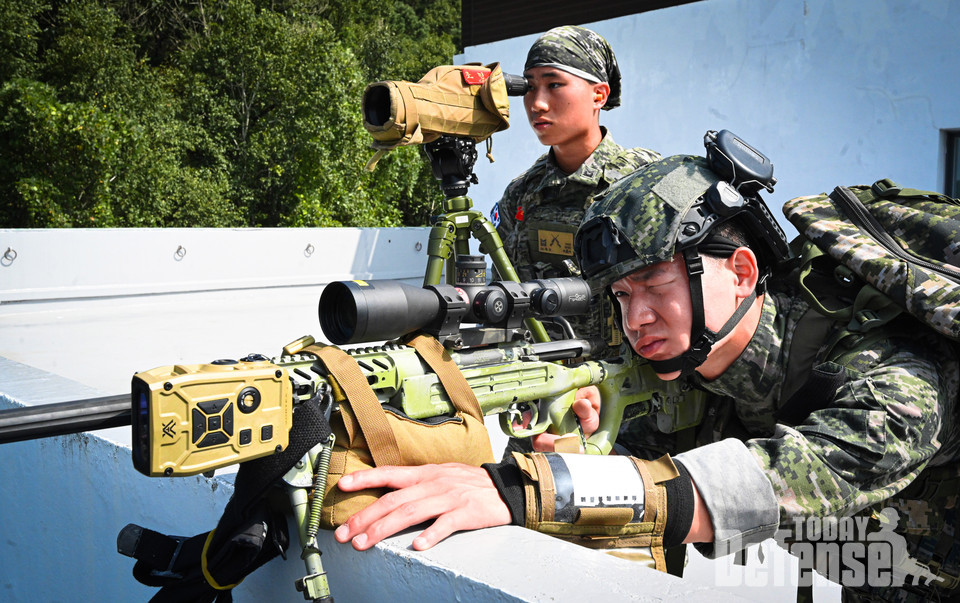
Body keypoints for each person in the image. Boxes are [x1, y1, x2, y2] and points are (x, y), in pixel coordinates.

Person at [334, 154, 960, 601]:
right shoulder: (690, 374)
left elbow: (807, 469)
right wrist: (575, 454)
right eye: (621, 296)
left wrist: (537, 489)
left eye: (658, 286)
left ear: (742, 272)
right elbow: (638, 487)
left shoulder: (883, 364)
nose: (636, 319)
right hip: (881, 573)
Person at [490, 25, 660, 353]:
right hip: (539, 381)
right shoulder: (522, 193)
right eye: (529, 87)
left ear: (599, 95)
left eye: (554, 85)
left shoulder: (641, 183)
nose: (537, 103)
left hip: (625, 387)